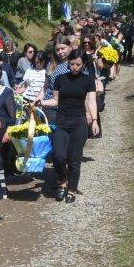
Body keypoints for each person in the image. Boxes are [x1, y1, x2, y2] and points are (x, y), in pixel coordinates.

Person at [41, 54, 99, 202]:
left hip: (79, 122)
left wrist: (94, 120)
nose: (74, 67)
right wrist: (39, 102)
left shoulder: (87, 80)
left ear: (83, 64)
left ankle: (72, 189)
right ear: (68, 64)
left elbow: (91, 101)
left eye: (78, 64)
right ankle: (62, 182)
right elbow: (55, 101)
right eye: (72, 64)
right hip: (61, 122)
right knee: (58, 155)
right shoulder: (60, 79)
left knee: (74, 158)